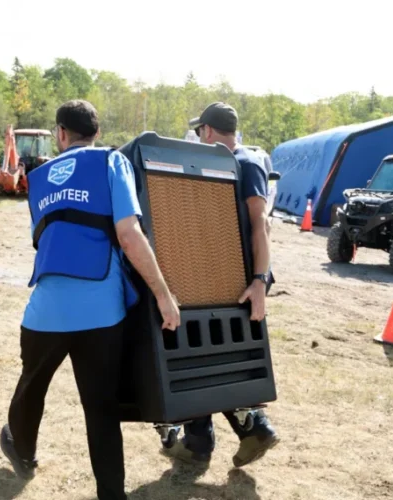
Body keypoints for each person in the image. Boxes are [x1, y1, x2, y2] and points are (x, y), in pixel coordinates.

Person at [0, 100, 181, 500]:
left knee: (31, 388)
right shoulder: (112, 163)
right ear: (96, 133)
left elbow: (43, 240)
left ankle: (21, 450)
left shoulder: (41, 176)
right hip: (102, 314)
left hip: (45, 313)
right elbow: (129, 236)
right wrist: (164, 295)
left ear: (61, 134)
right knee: (101, 411)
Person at [165, 102, 280, 468]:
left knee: (209, 355)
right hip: (219, 275)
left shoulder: (242, 163)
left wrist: (260, 281)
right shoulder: (228, 164)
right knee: (210, 354)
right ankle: (212, 436)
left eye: (200, 132)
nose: (199, 137)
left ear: (209, 132)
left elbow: (260, 222)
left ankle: (226, 434)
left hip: (240, 282)